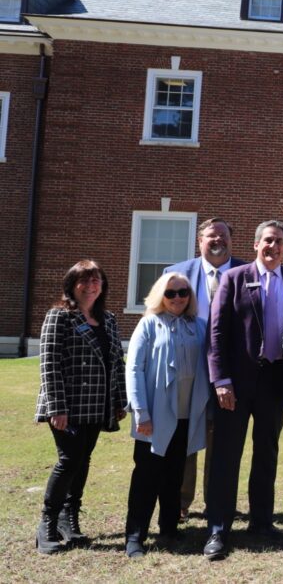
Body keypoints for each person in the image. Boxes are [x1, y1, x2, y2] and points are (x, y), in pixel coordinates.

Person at [203, 220, 283, 561]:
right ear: (256, 244)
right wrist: (221, 380)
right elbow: (216, 333)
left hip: (277, 383)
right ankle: (218, 529)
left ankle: (261, 522)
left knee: (267, 453)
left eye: (279, 241)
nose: (273, 247)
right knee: (226, 455)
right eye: (267, 241)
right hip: (236, 384)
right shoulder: (234, 278)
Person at [33, 260, 128, 554]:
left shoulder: (108, 319)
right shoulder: (59, 316)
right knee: (69, 460)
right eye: (84, 280)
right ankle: (47, 524)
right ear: (72, 285)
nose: (90, 286)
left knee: (83, 460)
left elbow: (116, 362)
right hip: (68, 406)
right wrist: (56, 407)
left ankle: (69, 518)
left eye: (96, 280)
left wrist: (119, 400)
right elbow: (49, 364)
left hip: (97, 405)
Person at [164, 217, 245, 522]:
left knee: (222, 441)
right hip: (188, 372)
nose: (217, 240)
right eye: (211, 235)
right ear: (199, 241)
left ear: (231, 240)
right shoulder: (176, 274)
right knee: (184, 437)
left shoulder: (247, 273)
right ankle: (179, 501)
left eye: (223, 235)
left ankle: (217, 502)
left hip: (230, 373)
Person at [124, 273, 210, 557]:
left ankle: (169, 528)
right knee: (146, 477)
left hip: (187, 415)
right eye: (170, 293)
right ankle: (135, 536)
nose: (177, 298)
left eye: (183, 292)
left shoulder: (199, 326)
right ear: (160, 295)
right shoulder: (149, 324)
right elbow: (134, 368)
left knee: (175, 475)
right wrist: (141, 412)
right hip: (154, 415)